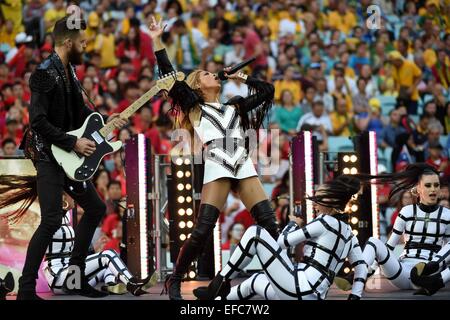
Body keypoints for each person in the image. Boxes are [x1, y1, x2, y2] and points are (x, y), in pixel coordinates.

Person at [148, 16, 278, 300]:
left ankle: (233, 280)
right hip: (218, 162)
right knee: (204, 229)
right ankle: (175, 279)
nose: (213, 75)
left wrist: (241, 77)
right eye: (207, 74)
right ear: (197, 86)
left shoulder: (235, 107)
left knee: (270, 224)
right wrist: (157, 40)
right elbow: (169, 75)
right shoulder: (193, 106)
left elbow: (268, 91)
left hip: (241, 161)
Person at [16, 16, 127, 300]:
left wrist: (106, 123)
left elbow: (79, 117)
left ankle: (76, 280)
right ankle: (27, 290)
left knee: (95, 208)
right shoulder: (43, 73)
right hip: (48, 155)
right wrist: (73, 142)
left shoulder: (71, 71)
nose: (86, 45)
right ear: (68, 43)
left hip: (67, 154)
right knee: (51, 220)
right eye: (82, 42)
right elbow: (37, 121)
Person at [194, 175, 368, 300]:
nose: (314, 203)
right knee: (253, 281)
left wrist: (293, 223)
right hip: (310, 295)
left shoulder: (324, 222)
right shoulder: (349, 234)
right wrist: (355, 296)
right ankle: (214, 299)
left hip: (298, 287)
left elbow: (281, 243)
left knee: (255, 233)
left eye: (318, 198)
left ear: (330, 200)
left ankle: (219, 281)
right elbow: (361, 268)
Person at [0, 182, 155, 296]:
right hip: (59, 276)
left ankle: (111, 285)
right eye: (71, 193)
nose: (76, 197)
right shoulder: (49, 221)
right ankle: (133, 283)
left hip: (71, 274)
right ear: (62, 199)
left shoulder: (66, 217)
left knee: (107, 265)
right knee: (108, 256)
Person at [347, 164, 450, 293]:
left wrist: (439, 269)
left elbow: (447, 250)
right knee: (373, 242)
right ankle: (358, 275)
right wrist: (373, 267)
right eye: (428, 185)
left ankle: (435, 281)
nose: (433, 189)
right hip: (402, 271)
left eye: (436, 185)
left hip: (428, 274)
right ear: (418, 188)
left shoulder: (447, 215)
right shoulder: (406, 212)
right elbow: (390, 246)